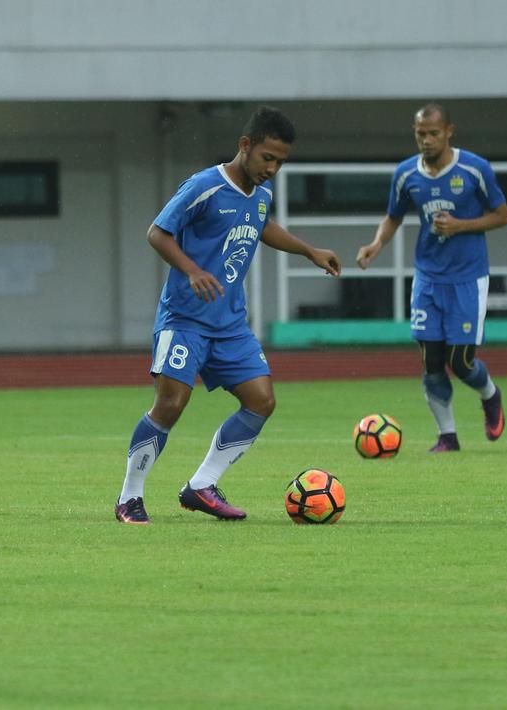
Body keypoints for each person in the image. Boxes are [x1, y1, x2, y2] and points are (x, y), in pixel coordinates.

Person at [115, 106, 341, 525]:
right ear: (245, 146)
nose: (272, 168)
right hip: (183, 319)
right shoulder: (204, 186)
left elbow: (261, 226)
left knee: (261, 401)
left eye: (279, 162)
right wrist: (193, 270)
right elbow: (157, 232)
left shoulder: (260, 195)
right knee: (171, 404)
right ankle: (129, 498)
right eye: (267, 158)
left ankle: (201, 486)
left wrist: (309, 250)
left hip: (230, 324)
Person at [357, 103, 507, 452]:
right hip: (427, 276)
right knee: (431, 360)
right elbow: (393, 216)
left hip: (468, 277)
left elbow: (502, 216)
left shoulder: (474, 169)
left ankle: (490, 394)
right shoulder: (406, 174)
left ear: (449, 132)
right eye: (420, 133)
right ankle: (448, 437)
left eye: (433, 133)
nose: (426, 140)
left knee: (461, 361)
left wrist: (461, 226)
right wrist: (376, 244)